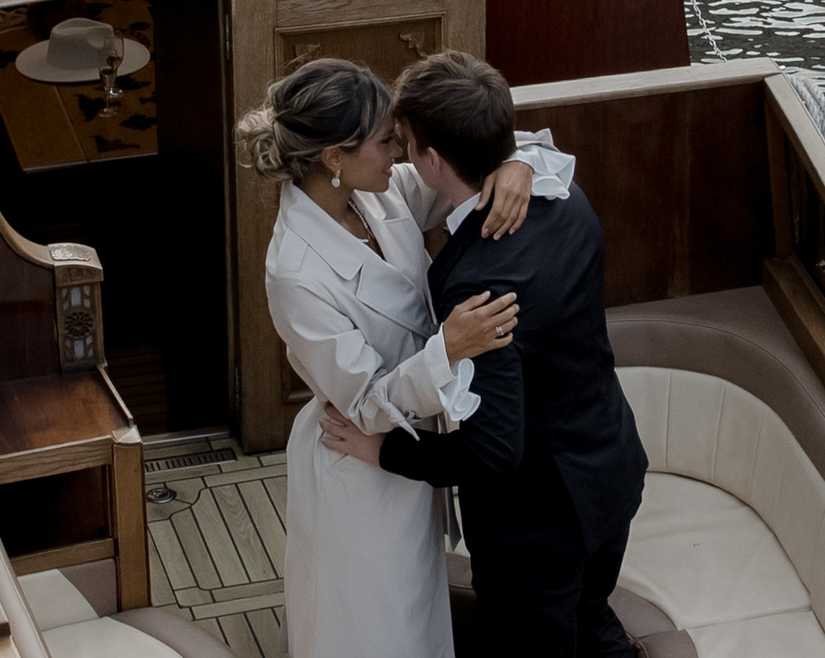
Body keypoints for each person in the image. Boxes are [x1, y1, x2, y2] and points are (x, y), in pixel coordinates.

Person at [235, 56, 576, 658]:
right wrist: (449, 349)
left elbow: (474, 153)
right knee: (373, 630)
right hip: (358, 466)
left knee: (416, 619)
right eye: (385, 140)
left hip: (414, 453)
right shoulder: (295, 274)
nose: (399, 151)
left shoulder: (380, 190)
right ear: (334, 157)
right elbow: (365, 402)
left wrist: (519, 162)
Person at [317, 51, 648, 658]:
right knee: (592, 621)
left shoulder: (477, 284)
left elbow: (493, 451)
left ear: (431, 160)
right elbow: (526, 152)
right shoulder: (563, 193)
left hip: (540, 527)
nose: (398, 154)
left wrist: (381, 450)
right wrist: (519, 157)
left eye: (405, 143)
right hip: (611, 470)